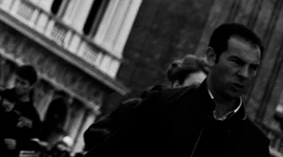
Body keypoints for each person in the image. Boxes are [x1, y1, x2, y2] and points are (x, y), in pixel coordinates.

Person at [82, 22, 269, 156]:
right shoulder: (161, 104)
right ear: (212, 57)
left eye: (253, 68)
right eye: (236, 62)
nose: (244, 74)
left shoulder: (255, 144)